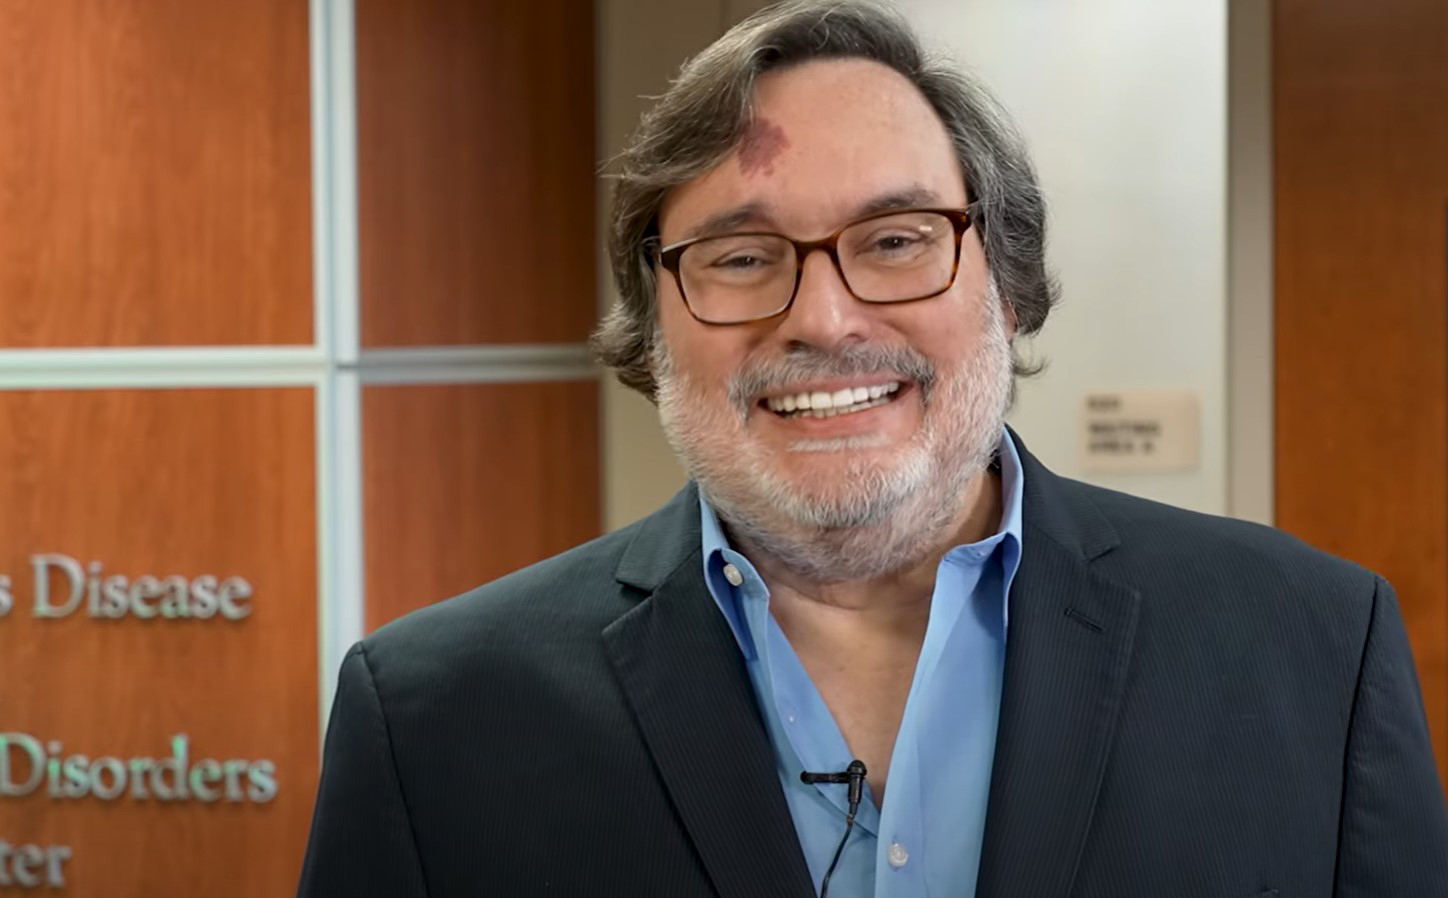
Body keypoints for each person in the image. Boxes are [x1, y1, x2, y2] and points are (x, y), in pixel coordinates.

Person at [297, 1, 1448, 895]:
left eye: (894, 239)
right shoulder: (435, 720)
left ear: (1004, 281)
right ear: (653, 323)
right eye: (740, 256)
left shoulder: (1311, 650)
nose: (823, 318)